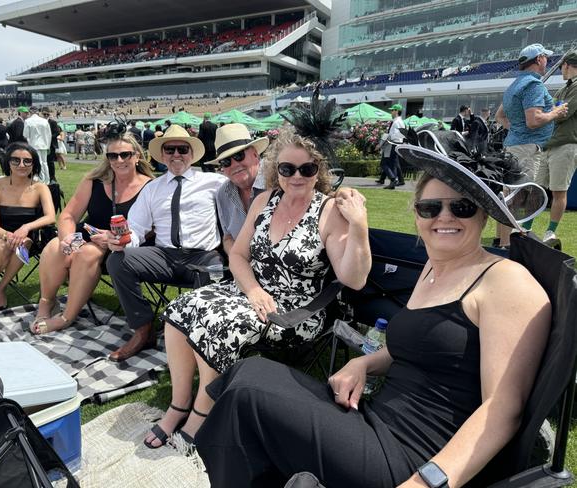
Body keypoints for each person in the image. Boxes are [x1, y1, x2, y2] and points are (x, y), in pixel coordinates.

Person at [195, 147, 551, 488]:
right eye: (430, 208)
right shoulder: (435, 268)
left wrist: (426, 482)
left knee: (248, 395)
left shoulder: (505, 281)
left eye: (462, 207)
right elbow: (424, 347)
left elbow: (503, 408)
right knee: (247, 373)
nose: (444, 217)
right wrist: (363, 364)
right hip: (375, 421)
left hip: (416, 455)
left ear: (483, 213)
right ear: (416, 214)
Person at [143, 127, 372, 450]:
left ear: (317, 171)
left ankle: (201, 413)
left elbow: (354, 279)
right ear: (274, 169)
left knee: (218, 324)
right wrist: (251, 290)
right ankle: (178, 404)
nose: (296, 176)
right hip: (250, 292)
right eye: (287, 168)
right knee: (178, 310)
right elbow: (237, 255)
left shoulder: (329, 211)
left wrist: (359, 226)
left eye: (306, 169)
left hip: (294, 311)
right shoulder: (265, 200)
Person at [105, 125, 227, 362]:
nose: (176, 155)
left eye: (182, 149)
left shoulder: (215, 183)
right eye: (170, 150)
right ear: (162, 156)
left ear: (192, 154)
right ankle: (143, 329)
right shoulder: (152, 188)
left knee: (214, 269)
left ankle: (196, 337)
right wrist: (123, 242)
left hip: (203, 255)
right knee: (117, 260)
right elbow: (137, 229)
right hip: (164, 256)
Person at [30, 131, 154, 334]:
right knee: (55, 247)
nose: (119, 160)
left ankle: (66, 317)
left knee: (88, 253)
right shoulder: (94, 180)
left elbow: (152, 228)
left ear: (137, 156)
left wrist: (113, 238)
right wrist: (68, 238)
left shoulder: (150, 186)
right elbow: (68, 215)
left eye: (125, 155)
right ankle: (47, 302)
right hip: (89, 233)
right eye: (112, 156)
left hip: (123, 243)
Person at [495, 44, 568, 246]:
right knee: (519, 200)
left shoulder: (514, 85)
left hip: (514, 146)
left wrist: (517, 129)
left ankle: (503, 243)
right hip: (526, 148)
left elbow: (499, 116)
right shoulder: (533, 85)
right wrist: (555, 113)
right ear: (538, 59)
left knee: (509, 197)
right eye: (546, 57)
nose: (548, 61)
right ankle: (508, 246)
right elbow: (534, 120)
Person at [0, 142, 56, 312]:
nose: (21, 165)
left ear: (34, 164)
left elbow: (50, 217)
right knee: (1, 246)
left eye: (27, 161)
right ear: (8, 162)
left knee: (25, 243)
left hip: (26, 237)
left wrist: (26, 227)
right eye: (16, 160)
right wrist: (10, 236)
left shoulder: (40, 187)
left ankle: (2, 287)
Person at [531, 50, 577, 243]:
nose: (560, 71)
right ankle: (525, 227)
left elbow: (563, 112)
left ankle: (550, 232)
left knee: (559, 191)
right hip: (550, 144)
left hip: (566, 144)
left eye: (561, 67)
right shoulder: (566, 87)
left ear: (567, 65)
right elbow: (553, 109)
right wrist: (552, 112)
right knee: (536, 189)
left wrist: (551, 113)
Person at [208, 123, 268, 254]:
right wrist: (237, 259)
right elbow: (228, 237)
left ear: (255, 155)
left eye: (239, 155)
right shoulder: (222, 193)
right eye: (226, 161)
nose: (234, 164)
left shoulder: (279, 181)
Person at [23, 107, 52, 183]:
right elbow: (49, 135)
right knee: (44, 163)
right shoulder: (44, 121)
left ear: (30, 112)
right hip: (44, 145)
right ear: (37, 112)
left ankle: (41, 179)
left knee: (38, 162)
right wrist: (48, 146)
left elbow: (25, 135)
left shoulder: (27, 121)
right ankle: (47, 180)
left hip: (34, 145)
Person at [382, 104, 405, 189]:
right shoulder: (398, 121)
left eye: (392, 110)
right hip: (395, 144)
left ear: (396, 111)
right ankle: (394, 181)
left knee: (384, 163)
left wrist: (384, 141)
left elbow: (395, 135)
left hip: (392, 144)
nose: (391, 112)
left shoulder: (397, 122)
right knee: (393, 164)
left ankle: (393, 180)